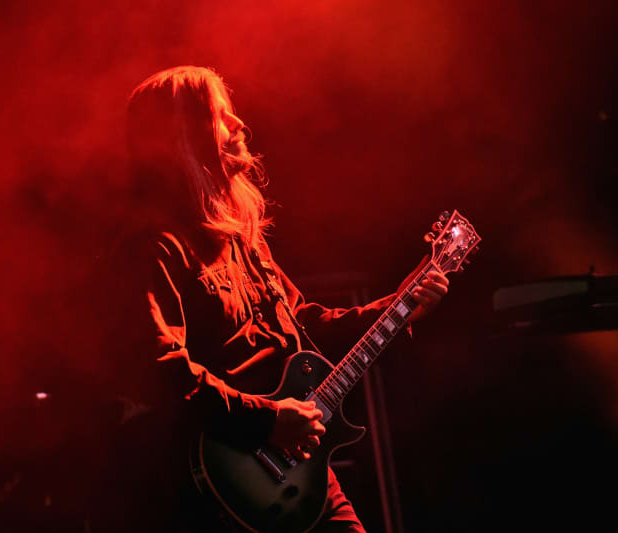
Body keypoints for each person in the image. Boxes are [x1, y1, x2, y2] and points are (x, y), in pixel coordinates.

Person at [96, 65, 448, 532]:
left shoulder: (243, 239)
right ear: (187, 135)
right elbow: (159, 371)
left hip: (296, 472)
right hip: (219, 488)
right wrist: (264, 421)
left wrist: (398, 307)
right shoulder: (156, 246)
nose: (240, 126)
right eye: (223, 116)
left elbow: (304, 324)